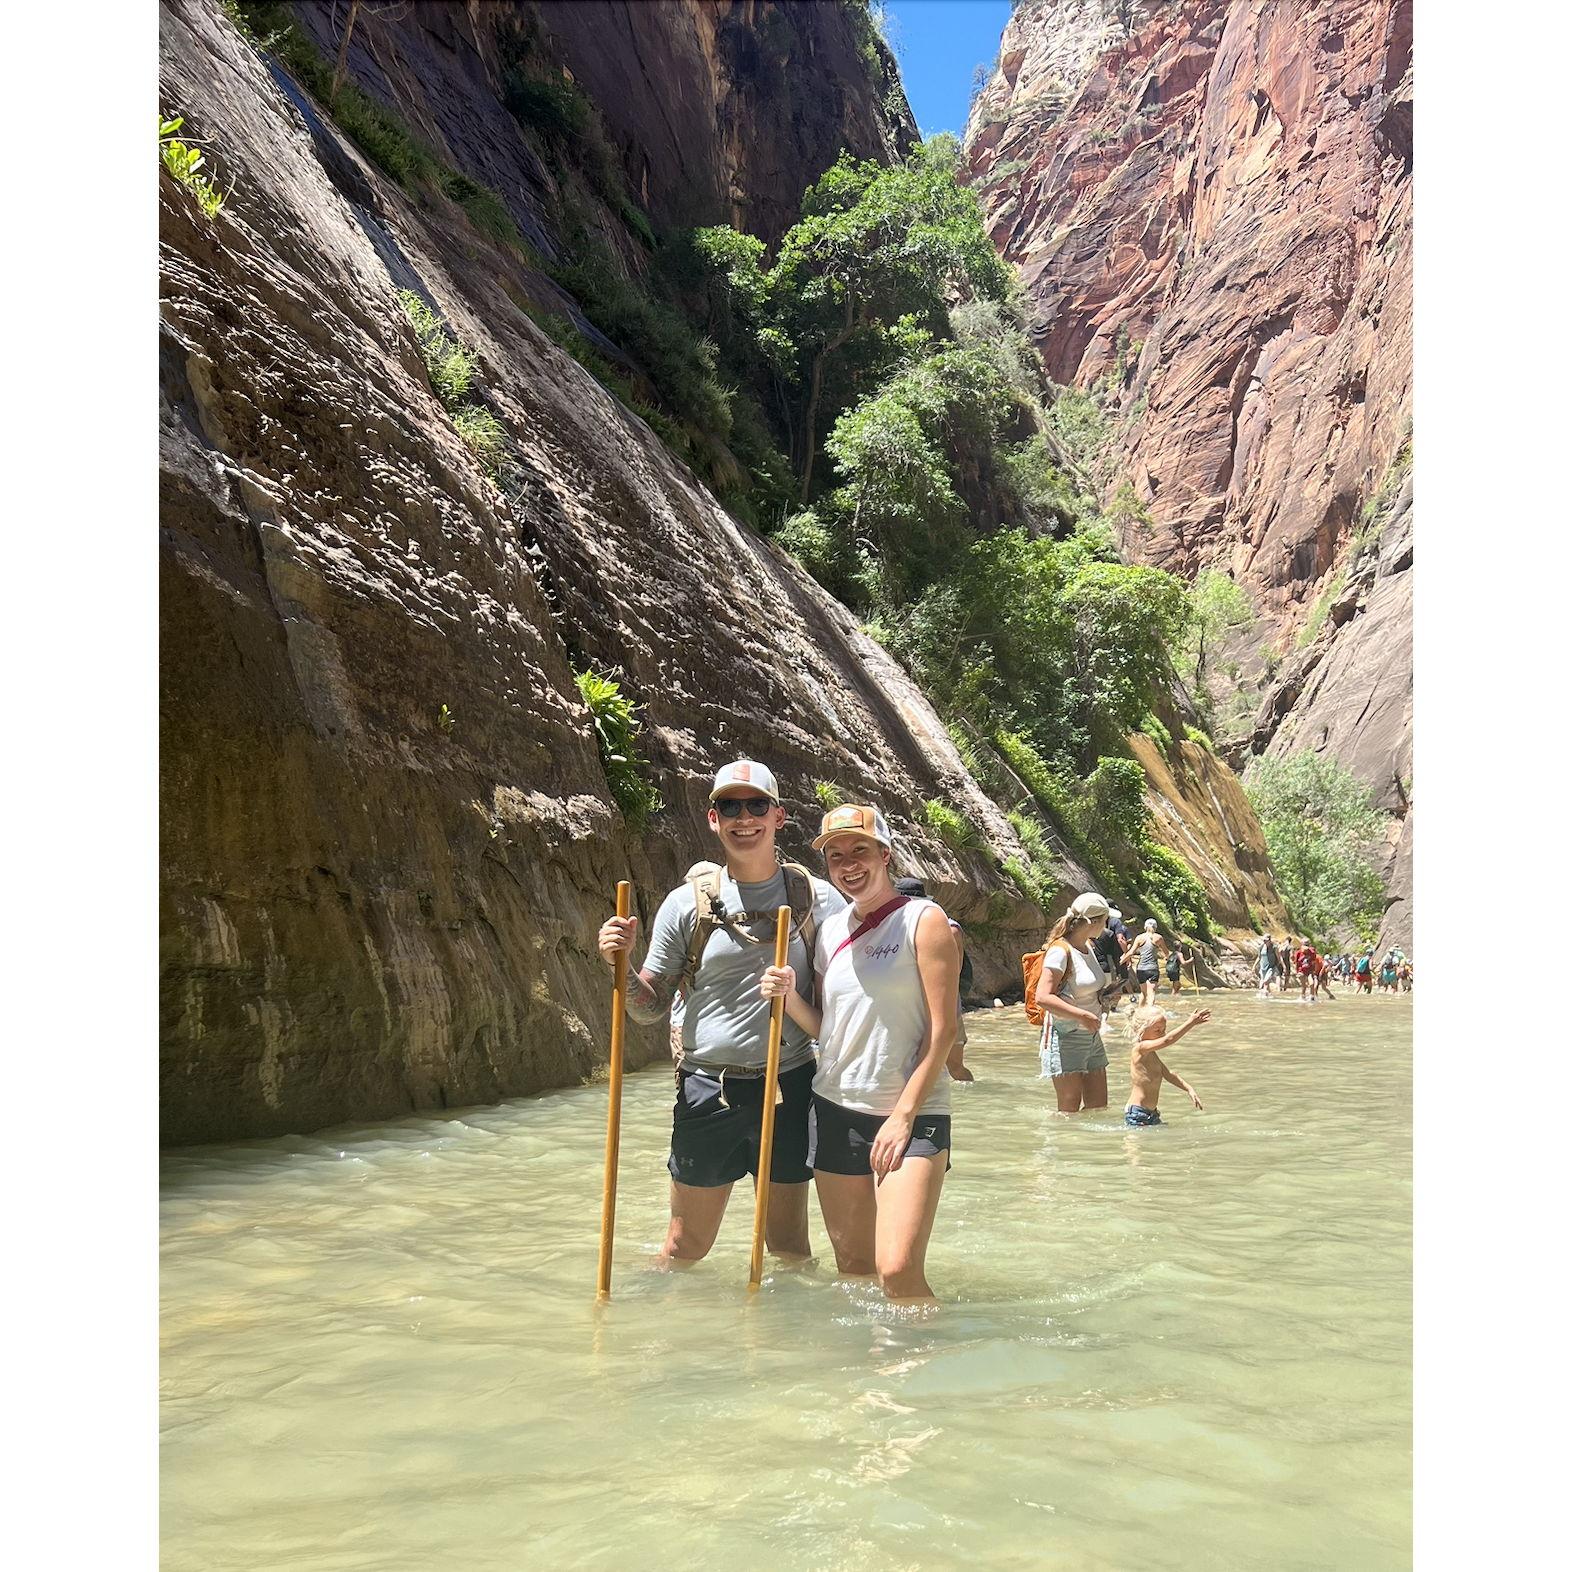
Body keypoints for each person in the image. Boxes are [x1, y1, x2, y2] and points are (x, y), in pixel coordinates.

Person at [596, 760, 845, 1267]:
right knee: (684, 1247)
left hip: (790, 1084)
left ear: (779, 816)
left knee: (791, 1249)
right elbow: (647, 1011)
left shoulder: (818, 900)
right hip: (708, 1089)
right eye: (730, 806)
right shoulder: (683, 905)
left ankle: (782, 1344)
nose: (744, 818)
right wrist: (618, 969)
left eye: (757, 805)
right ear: (713, 819)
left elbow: (845, 1001)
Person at [760, 803, 958, 1303]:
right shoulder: (829, 932)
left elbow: (944, 1031)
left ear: (885, 854)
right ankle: (873, 1373)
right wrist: (790, 999)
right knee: (855, 1269)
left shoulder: (924, 920)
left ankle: (929, 1373)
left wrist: (903, 1115)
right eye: (836, 856)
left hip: (912, 1113)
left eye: (860, 850)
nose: (848, 864)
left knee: (896, 1270)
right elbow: (831, 1031)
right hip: (835, 1107)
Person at [1033, 892, 1122, 1113]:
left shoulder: (1088, 947)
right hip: (1065, 1036)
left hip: (1091, 1036)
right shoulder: (1059, 951)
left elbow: (1085, 989)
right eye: (1105, 920)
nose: (1107, 925)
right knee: (1068, 1110)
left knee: (1098, 1107)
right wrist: (1081, 1015)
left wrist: (1106, 996)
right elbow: (1043, 997)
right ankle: (1060, 1145)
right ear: (1092, 922)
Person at [895, 876, 973, 1083]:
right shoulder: (891, 927)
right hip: (906, 1008)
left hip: (944, 1006)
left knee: (955, 1067)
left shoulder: (949, 928)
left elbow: (952, 972)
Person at [1125, 1006, 1209, 1127]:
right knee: (1135, 1144)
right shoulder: (1140, 1049)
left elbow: (1168, 1075)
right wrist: (1190, 1023)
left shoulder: (1152, 1055)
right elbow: (1167, 1040)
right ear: (1141, 1030)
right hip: (1137, 1113)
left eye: (1164, 1030)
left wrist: (1189, 1089)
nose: (1162, 1034)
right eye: (1157, 1030)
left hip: (1152, 1113)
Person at [1128, 918, 1168, 1006]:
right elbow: (1166, 952)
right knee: (1151, 992)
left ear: (1145, 927)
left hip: (1141, 968)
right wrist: (1167, 958)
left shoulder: (1139, 937)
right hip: (1153, 968)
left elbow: (1131, 952)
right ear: (1155, 927)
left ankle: (1140, 1012)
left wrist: (1122, 961)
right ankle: (1150, 1012)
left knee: (1143, 993)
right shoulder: (1158, 937)